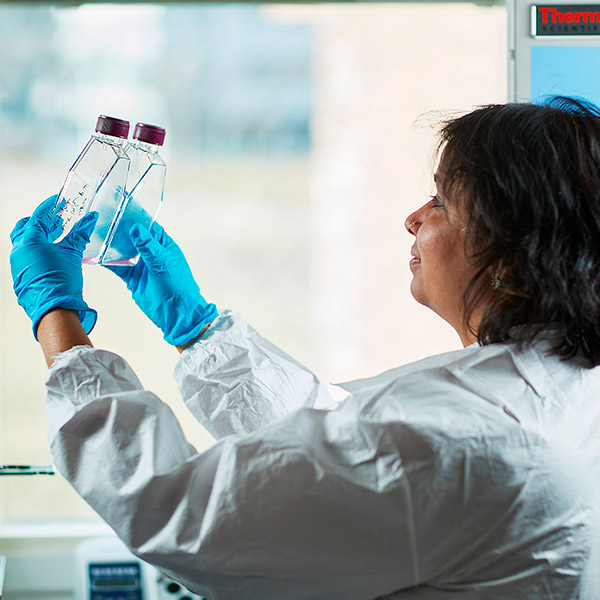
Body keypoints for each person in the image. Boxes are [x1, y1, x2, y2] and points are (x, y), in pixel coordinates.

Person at [9, 96, 600, 599]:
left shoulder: (466, 438)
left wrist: (58, 322)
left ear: (516, 261)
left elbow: (179, 513)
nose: (413, 218)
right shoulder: (549, 377)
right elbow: (335, 441)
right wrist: (197, 329)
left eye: (443, 201)